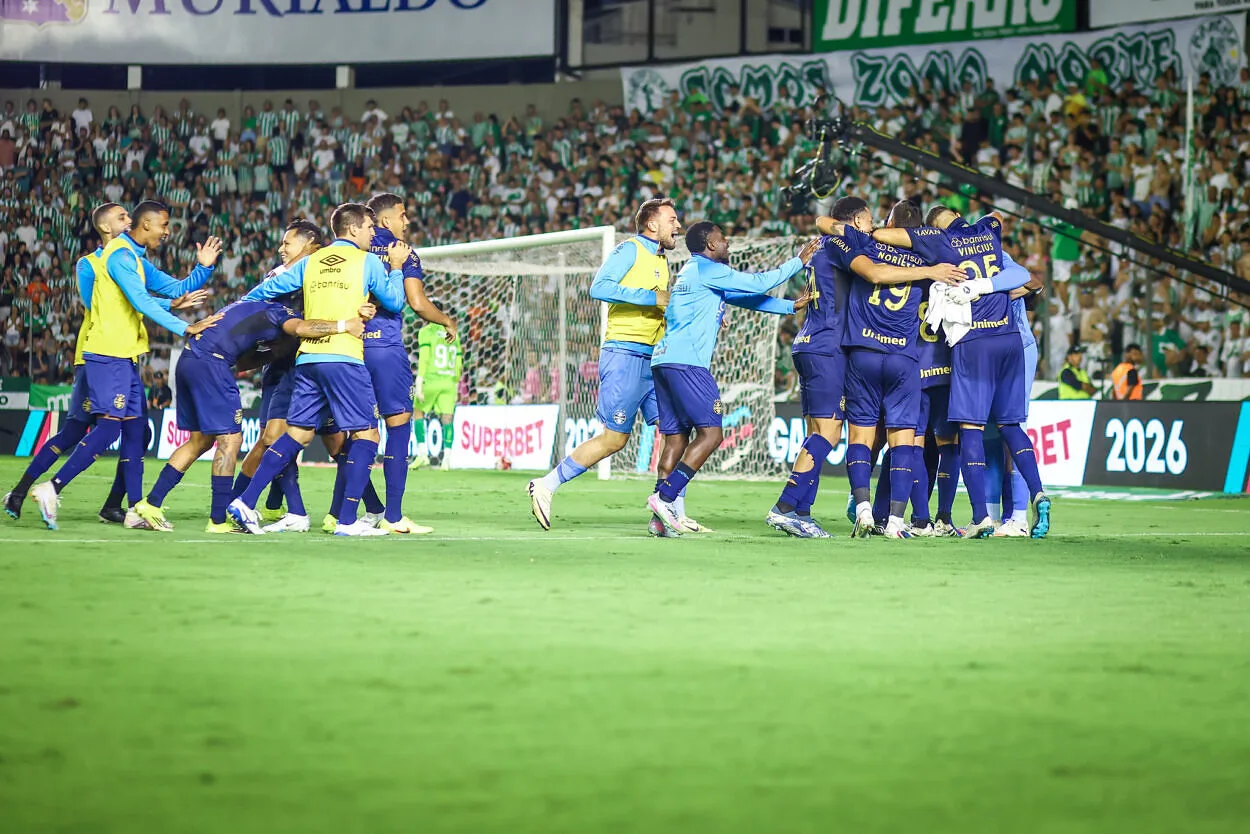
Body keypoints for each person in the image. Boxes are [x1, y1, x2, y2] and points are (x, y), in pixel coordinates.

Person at [25, 201, 221, 531]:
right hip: (106, 353)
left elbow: (174, 288)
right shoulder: (119, 255)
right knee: (108, 427)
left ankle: (132, 511)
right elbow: (140, 300)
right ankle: (51, 487)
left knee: (135, 430)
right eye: (164, 224)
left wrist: (203, 269)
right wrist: (183, 327)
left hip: (126, 355)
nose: (167, 231)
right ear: (148, 225)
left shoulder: (136, 258)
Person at [228, 203, 408, 537]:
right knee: (367, 434)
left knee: (296, 434)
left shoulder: (310, 262)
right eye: (369, 227)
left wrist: (232, 311)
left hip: (308, 359)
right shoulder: (368, 261)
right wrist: (395, 267)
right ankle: (348, 521)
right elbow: (396, 302)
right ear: (353, 229)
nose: (373, 232)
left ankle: (245, 501)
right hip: (344, 358)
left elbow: (266, 290)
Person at [872, 207, 1050, 539]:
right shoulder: (989, 237)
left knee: (918, 439)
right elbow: (1029, 278)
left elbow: (883, 237)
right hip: (979, 353)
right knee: (979, 435)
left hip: (934, 358)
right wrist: (990, 285)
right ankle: (957, 515)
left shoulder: (930, 249)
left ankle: (924, 518)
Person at [134, 298, 371, 533]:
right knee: (231, 440)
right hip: (212, 364)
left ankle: (150, 504)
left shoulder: (249, 307)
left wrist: (275, 352)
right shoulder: (281, 312)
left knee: (200, 441)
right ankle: (218, 520)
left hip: (189, 359)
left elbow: (243, 362)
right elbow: (299, 327)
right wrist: (344, 325)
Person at [647, 221, 817, 535]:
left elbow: (743, 298)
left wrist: (789, 306)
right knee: (711, 435)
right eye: (723, 240)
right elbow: (755, 284)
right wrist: (798, 262)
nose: (728, 244)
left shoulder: (693, 271)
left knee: (676, 439)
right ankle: (665, 497)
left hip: (664, 360)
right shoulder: (708, 269)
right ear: (710, 245)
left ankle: (662, 521)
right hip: (688, 363)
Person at [815, 200, 967, 540]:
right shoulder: (929, 254)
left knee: (862, 437)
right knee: (904, 441)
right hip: (903, 358)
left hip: (863, 354)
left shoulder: (864, 242)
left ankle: (865, 509)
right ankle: (898, 522)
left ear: (889, 224)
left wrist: (866, 230)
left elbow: (822, 222)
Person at [527, 198, 678, 532]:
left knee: (674, 432)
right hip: (624, 354)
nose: (677, 226)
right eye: (672, 219)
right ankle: (547, 484)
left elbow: (660, 306)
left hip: (653, 357)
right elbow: (600, 287)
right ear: (652, 224)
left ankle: (665, 511)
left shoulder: (662, 261)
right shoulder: (630, 249)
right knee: (614, 440)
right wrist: (653, 297)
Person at [340, 192, 455, 535]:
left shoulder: (354, 250)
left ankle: (355, 512)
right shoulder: (402, 253)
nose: (407, 222)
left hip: (348, 347)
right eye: (403, 215)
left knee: (356, 434)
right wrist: (447, 321)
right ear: (386, 220)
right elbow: (417, 303)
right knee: (398, 426)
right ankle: (392, 515)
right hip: (385, 350)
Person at [764, 198, 857, 539]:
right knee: (829, 433)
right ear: (855, 221)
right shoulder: (844, 248)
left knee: (815, 434)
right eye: (868, 220)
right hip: (827, 346)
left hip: (807, 341)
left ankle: (802, 512)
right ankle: (785, 507)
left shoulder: (820, 250)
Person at [414, 317, 462, 470]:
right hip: (449, 381)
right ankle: (446, 460)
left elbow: (425, 359)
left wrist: (419, 382)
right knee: (448, 418)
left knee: (418, 413)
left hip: (431, 379)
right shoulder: (453, 332)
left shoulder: (426, 332)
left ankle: (423, 455)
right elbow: (459, 362)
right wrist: (456, 382)